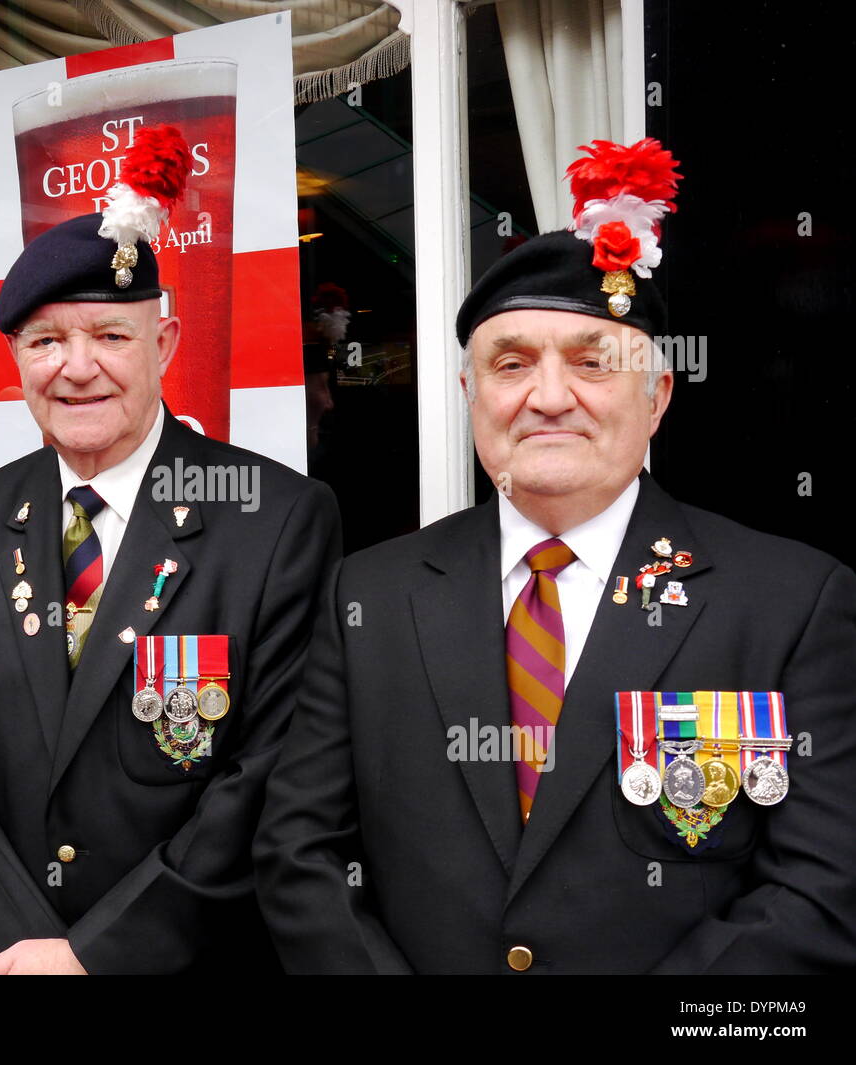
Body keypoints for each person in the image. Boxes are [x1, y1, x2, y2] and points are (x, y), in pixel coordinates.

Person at [254, 139, 856, 973]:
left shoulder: (791, 601)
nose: (546, 396)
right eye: (510, 364)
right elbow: (301, 853)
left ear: (658, 397)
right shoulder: (369, 597)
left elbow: (818, 889)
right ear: (472, 396)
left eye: (590, 362)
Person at [0, 126, 341, 974]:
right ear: (16, 359)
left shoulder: (275, 518)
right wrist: (16, 945)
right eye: (46, 341)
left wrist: (97, 956)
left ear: (165, 345)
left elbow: (266, 773)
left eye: (110, 336)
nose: (77, 368)